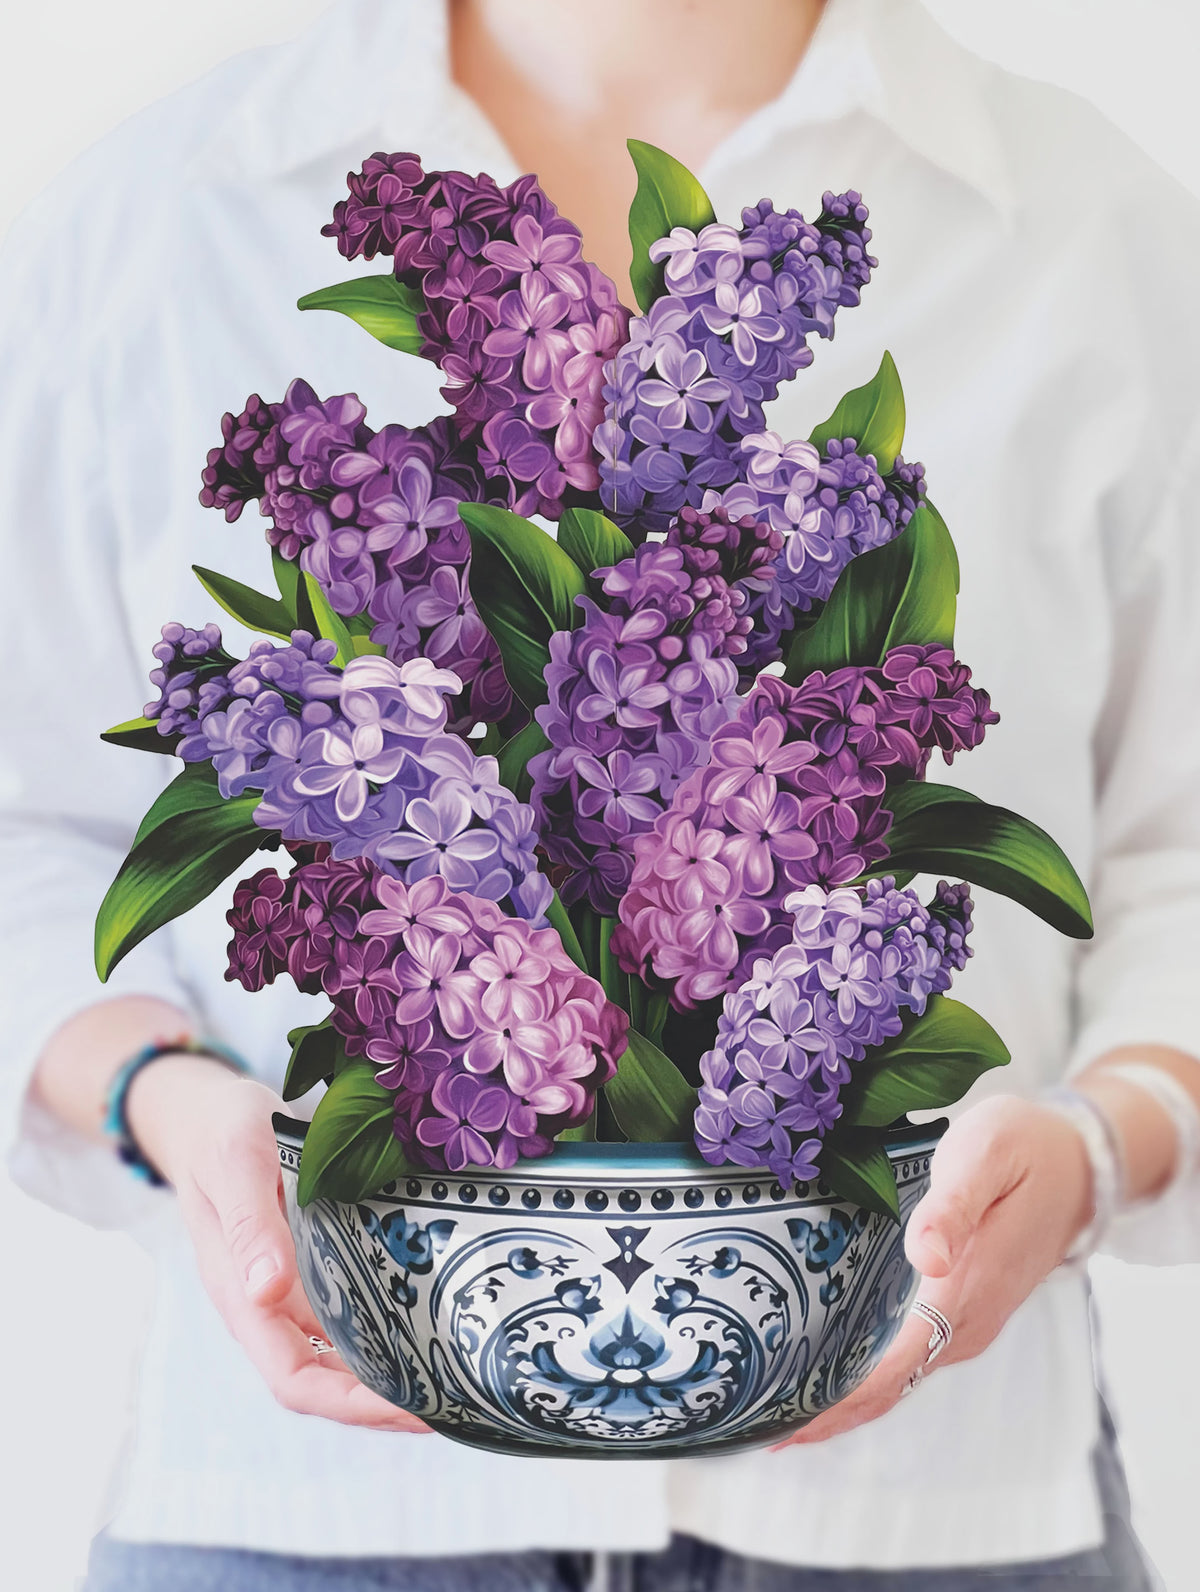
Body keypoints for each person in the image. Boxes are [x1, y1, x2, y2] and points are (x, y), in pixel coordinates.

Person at [3, 0, 1199, 1587]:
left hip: (938, 1517)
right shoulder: (164, 207)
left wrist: (1110, 1145)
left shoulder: (1086, 220)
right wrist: (167, 1107)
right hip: (304, 1517)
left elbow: (1179, 853)